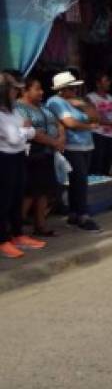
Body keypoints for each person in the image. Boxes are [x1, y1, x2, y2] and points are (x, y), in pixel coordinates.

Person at [46, 71, 102, 232]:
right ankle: (83, 215)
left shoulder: (77, 101)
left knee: (79, 181)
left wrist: (83, 105)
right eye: (72, 88)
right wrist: (89, 126)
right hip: (71, 146)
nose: (75, 91)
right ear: (63, 89)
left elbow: (96, 117)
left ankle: (74, 214)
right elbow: (70, 123)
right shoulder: (55, 101)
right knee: (79, 181)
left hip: (86, 145)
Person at [0, 72, 47, 259]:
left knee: (17, 197)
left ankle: (18, 235)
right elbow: (14, 138)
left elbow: (27, 132)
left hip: (18, 156)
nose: (16, 92)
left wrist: (25, 131)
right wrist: (27, 131)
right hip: (4, 158)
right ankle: (3, 240)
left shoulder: (13, 111)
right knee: (4, 201)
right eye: (13, 89)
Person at [16, 77, 65, 237]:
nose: (41, 92)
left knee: (43, 191)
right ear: (25, 90)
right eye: (37, 89)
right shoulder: (19, 108)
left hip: (47, 154)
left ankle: (40, 225)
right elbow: (32, 133)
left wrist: (61, 139)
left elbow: (58, 123)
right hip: (32, 155)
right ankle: (17, 228)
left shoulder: (43, 107)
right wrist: (54, 142)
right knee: (29, 192)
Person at [86, 73, 112, 176]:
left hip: (111, 135)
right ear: (98, 84)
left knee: (107, 164)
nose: (108, 83)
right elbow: (93, 116)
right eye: (105, 81)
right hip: (97, 134)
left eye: (108, 81)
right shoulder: (90, 97)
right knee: (97, 164)